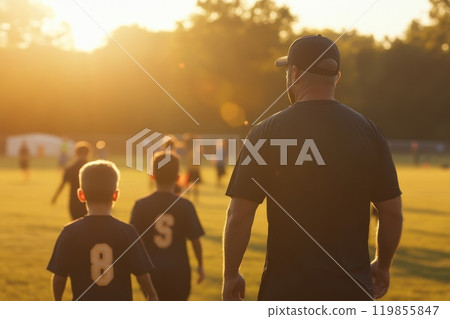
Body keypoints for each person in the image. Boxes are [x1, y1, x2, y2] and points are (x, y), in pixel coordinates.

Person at [222, 35, 403, 301]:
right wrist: (383, 264)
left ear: (294, 73)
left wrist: (230, 274)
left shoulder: (265, 133)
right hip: (350, 291)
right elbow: (392, 213)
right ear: (336, 77)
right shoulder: (369, 131)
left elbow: (239, 215)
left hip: (285, 292)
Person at [47, 160, 158, 301]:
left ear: (81, 195)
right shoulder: (127, 231)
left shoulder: (70, 232)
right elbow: (142, 273)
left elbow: (59, 276)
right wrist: (152, 294)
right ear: (115, 195)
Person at [130, 151, 205, 300]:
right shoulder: (185, 205)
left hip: (151, 271)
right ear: (178, 178)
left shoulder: (141, 205)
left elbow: (135, 242)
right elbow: (195, 240)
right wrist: (200, 265)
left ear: (152, 176)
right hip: (179, 270)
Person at [52, 141, 92, 220]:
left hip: (74, 203)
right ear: (88, 153)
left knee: (76, 227)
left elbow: (62, 184)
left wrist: (55, 197)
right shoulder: (92, 168)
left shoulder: (69, 168)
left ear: (75, 153)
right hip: (90, 203)